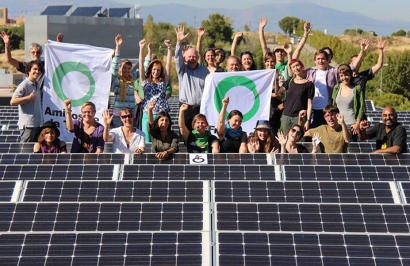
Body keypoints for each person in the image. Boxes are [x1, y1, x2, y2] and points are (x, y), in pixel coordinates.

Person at [1, 32, 63, 98]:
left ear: (41, 53)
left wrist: (57, 44)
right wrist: (7, 44)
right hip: (31, 98)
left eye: (38, 52)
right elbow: (9, 60)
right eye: (33, 52)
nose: (35, 54)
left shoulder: (47, 63)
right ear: (30, 53)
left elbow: (57, 59)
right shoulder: (26, 65)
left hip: (46, 100)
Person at [175, 24, 210, 131]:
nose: (192, 59)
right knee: (185, 137)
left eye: (194, 56)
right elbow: (177, 58)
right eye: (189, 56)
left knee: (200, 136)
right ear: (185, 58)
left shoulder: (205, 71)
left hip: (201, 109)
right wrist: (179, 43)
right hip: (186, 109)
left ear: (198, 57)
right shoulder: (182, 70)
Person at [139, 39, 172, 142]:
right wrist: (141, 49)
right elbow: (140, 66)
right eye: (154, 69)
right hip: (147, 114)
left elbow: (169, 65)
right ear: (150, 70)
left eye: (158, 70)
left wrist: (169, 49)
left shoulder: (163, 82)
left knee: (160, 140)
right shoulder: (145, 82)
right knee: (147, 140)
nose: (156, 72)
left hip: (161, 115)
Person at [111, 34, 141, 128]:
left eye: (129, 68)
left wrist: (143, 49)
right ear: (120, 68)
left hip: (130, 115)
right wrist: (118, 47)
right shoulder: (116, 78)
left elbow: (144, 69)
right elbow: (114, 65)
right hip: (118, 115)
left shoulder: (133, 77)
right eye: (124, 68)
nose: (126, 70)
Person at [10, 60, 44, 142]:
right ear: (29, 70)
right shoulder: (24, 84)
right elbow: (13, 101)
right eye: (35, 69)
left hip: (37, 124)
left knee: (35, 152)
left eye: (39, 69)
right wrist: (28, 98)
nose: (37, 71)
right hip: (28, 126)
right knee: (26, 151)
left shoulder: (36, 85)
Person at [332, 64, 365, 141]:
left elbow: (361, 107)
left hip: (352, 126)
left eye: (346, 75)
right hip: (338, 125)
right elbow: (333, 105)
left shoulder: (357, 88)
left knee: (352, 150)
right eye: (342, 76)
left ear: (350, 75)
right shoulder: (336, 88)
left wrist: (357, 123)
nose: (344, 78)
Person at [281, 59, 314, 135]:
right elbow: (278, 92)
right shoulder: (289, 81)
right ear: (291, 70)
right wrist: (276, 79)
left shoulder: (309, 84)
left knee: (300, 139)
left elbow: (310, 104)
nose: (296, 68)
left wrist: (308, 120)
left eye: (297, 65)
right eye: (293, 67)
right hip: (287, 116)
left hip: (299, 117)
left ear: (301, 66)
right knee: (286, 140)